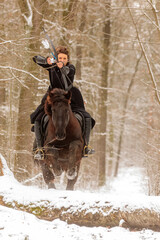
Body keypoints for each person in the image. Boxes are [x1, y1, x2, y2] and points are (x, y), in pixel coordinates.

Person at [30, 46, 95, 160]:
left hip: (69, 95)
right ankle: (40, 149)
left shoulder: (70, 67)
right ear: (56, 58)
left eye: (64, 58)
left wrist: (62, 67)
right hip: (52, 96)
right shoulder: (52, 65)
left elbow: (68, 71)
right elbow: (36, 59)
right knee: (38, 118)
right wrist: (47, 60)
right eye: (60, 58)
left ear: (67, 59)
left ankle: (86, 146)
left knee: (87, 117)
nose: (62, 60)